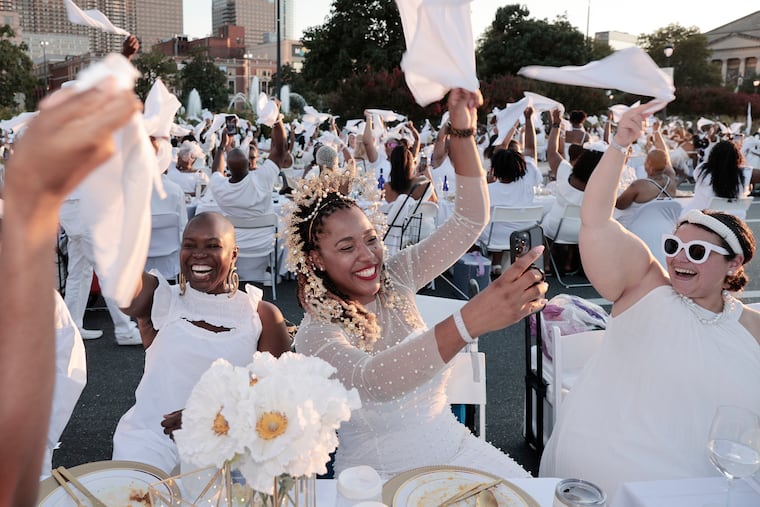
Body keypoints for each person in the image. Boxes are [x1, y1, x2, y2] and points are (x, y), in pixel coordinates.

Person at [285, 88, 548, 480]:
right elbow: (372, 380)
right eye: (346, 247)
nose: (367, 255)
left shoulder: (398, 275)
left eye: (371, 238)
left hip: (455, 447)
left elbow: (469, 219)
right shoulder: (315, 334)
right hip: (376, 477)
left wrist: (460, 130)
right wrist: (468, 322)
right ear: (316, 260)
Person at [539, 103, 760, 501]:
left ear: (734, 265)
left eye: (697, 253)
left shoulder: (751, 325)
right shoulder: (646, 286)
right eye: (674, 246)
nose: (678, 258)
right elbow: (596, 219)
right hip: (614, 460)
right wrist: (620, 143)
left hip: (713, 472)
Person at [0, 78, 140, 507]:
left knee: (80, 280)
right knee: (96, 274)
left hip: (78, 221)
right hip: (82, 222)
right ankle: (118, 325)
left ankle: (98, 322)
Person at [112, 211, 292, 474]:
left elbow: (278, 397)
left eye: (213, 246)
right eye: (189, 245)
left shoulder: (261, 315)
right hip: (151, 440)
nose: (198, 254)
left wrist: (212, 417)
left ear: (233, 255)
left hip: (228, 445)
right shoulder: (161, 299)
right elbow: (123, 283)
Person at [683, 139, 760, 218]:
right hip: (733, 223)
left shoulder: (702, 170)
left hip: (699, 219)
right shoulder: (744, 174)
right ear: (737, 156)